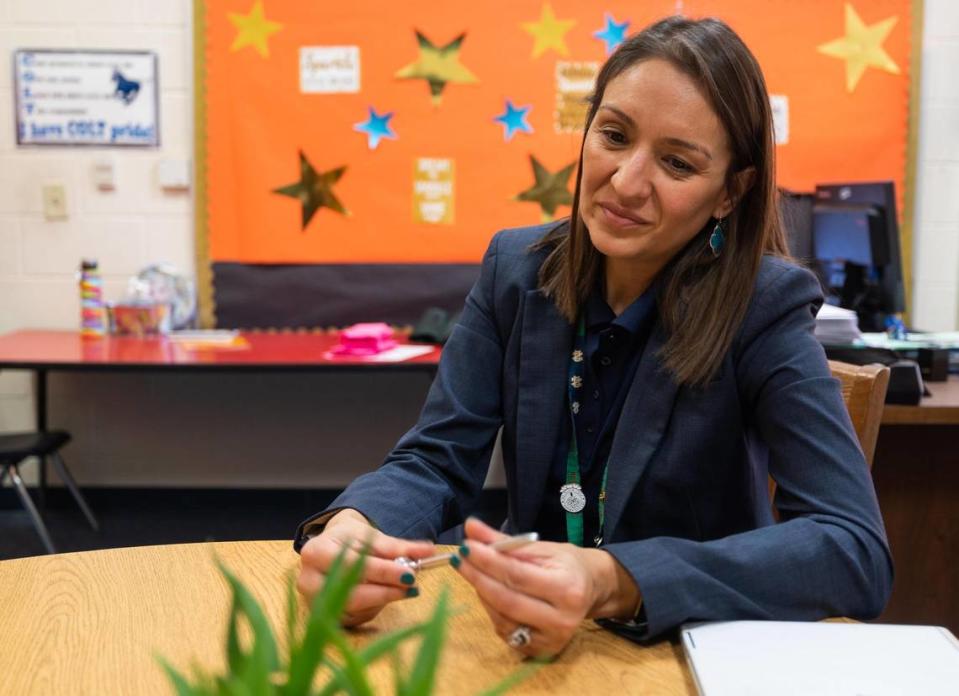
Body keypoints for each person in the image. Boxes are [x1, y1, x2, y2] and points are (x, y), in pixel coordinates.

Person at [294, 15, 893, 657]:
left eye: (676, 163)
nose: (627, 182)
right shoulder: (514, 271)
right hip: (518, 638)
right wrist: (358, 525)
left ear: (731, 192)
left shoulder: (762, 305)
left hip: (686, 651)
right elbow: (436, 458)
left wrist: (615, 580)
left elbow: (851, 547)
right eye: (613, 135)